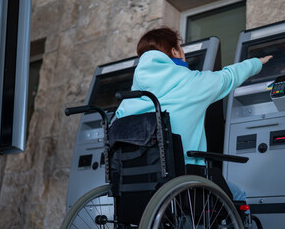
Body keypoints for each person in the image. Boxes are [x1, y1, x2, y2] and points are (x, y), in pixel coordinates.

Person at [113, 27, 272, 200]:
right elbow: (228, 77)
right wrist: (256, 63)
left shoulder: (129, 100)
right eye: (181, 48)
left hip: (136, 183)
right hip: (185, 178)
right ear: (174, 51)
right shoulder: (191, 82)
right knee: (238, 195)